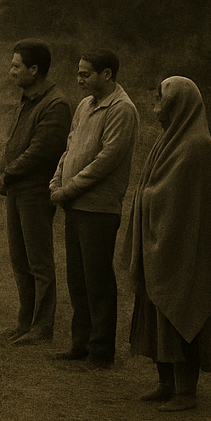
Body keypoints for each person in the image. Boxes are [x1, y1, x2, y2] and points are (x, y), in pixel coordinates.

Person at [119, 77, 211, 412]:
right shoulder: (167, 140)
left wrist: (147, 197)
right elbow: (152, 185)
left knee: (181, 309)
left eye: (161, 98)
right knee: (155, 312)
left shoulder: (195, 144)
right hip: (160, 247)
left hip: (184, 252)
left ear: (179, 103)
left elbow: (177, 197)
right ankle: (165, 383)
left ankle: (186, 391)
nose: (156, 105)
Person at [49, 50, 140, 367]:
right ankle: (81, 344)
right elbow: (70, 147)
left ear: (107, 74)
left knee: (97, 279)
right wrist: (57, 181)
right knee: (77, 278)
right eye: (78, 73)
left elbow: (106, 161)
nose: (79, 79)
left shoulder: (122, 109)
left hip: (99, 209)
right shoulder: (85, 105)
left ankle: (101, 352)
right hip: (74, 204)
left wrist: (68, 190)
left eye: (85, 74)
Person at [0, 39, 71, 345]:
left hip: (35, 191)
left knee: (38, 261)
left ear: (34, 69)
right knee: (19, 259)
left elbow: (41, 152)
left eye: (16, 66)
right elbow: (14, 143)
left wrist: (5, 175)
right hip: (16, 189)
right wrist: (3, 174)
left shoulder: (56, 104)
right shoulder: (27, 99)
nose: (11, 72)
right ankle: (25, 322)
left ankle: (42, 326)